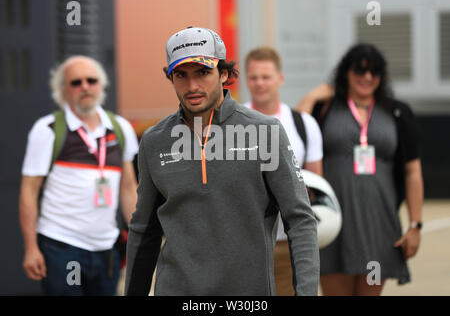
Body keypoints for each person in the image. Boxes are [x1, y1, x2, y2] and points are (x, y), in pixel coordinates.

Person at [125, 27, 319, 296]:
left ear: (224, 74)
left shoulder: (266, 132)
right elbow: (144, 229)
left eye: (203, 73)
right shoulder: (154, 141)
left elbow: (300, 220)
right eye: (181, 75)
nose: (192, 86)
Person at [296, 43, 424, 296]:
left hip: (379, 225)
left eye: (374, 71)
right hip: (334, 223)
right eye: (359, 70)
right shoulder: (326, 107)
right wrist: (311, 97)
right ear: (346, 72)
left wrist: (415, 225)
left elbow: (413, 172)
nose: (367, 77)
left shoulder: (397, 112)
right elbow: (296, 138)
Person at [19, 55, 139, 296]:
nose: (85, 86)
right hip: (61, 247)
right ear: (63, 90)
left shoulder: (120, 128)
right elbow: (29, 191)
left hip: (107, 248)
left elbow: (128, 187)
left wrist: (139, 238)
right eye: (76, 82)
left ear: (101, 85)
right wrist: (31, 247)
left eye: (91, 80)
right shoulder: (48, 129)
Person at [244, 47, 323, 295]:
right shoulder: (231, 125)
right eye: (253, 77)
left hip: (289, 242)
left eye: (266, 77)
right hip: (245, 246)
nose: (259, 83)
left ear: (280, 78)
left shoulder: (304, 124)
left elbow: (316, 184)